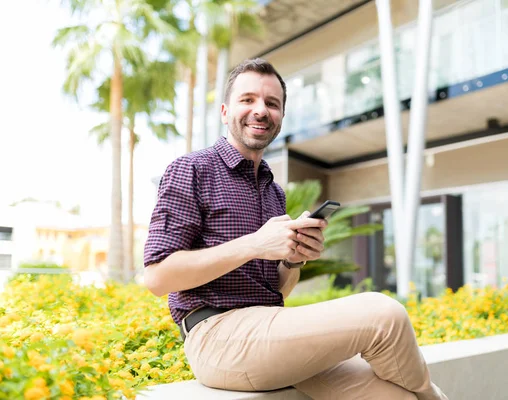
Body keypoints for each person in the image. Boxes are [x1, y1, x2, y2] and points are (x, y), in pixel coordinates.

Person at [143, 58, 448, 400]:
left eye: (272, 103)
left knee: (396, 397)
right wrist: (255, 244)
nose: (261, 110)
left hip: (270, 334)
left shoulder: (273, 192)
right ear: (225, 111)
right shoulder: (192, 169)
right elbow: (157, 278)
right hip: (216, 337)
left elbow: (277, 291)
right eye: (248, 100)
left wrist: (293, 260)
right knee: (385, 314)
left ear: (281, 117)